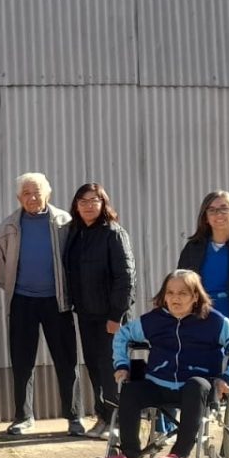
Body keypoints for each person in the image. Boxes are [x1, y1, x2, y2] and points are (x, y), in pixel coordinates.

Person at [102, 270, 229, 458]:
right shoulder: (153, 320)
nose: (175, 298)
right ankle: (130, 456)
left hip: (196, 388)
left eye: (182, 293)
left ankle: (179, 456)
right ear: (164, 295)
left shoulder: (213, 321)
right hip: (159, 383)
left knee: (196, 385)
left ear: (195, 296)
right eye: (170, 293)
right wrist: (122, 365)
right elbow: (122, 335)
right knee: (130, 390)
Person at [0, 172, 83, 436]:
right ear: (18, 198)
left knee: (66, 361)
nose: (32, 198)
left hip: (57, 302)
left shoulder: (65, 222)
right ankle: (23, 416)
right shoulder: (8, 227)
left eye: (37, 192)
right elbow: (0, 269)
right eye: (26, 194)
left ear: (48, 193)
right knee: (22, 362)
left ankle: (74, 417)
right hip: (22, 301)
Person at [63, 183, 136, 439]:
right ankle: (102, 418)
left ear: (104, 203)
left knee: (111, 368)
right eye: (82, 201)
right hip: (85, 313)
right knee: (94, 367)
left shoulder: (113, 233)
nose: (88, 206)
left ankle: (118, 422)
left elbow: (126, 277)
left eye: (94, 200)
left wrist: (116, 315)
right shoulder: (77, 233)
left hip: (110, 316)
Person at [177, 191, 229, 324]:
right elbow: (181, 285)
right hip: (200, 320)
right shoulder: (193, 248)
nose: (218, 214)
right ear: (205, 217)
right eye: (212, 210)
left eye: (224, 209)